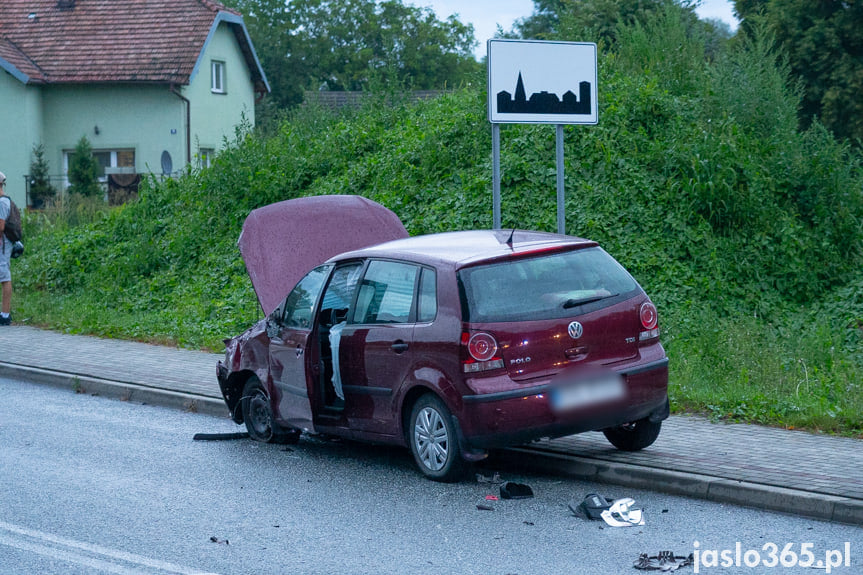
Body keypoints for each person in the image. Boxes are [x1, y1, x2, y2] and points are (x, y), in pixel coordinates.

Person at [0, 171, 12, 325]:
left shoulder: (2, 202)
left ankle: (5, 315)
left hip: (2, 245)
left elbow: (1, 226)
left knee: (5, 278)